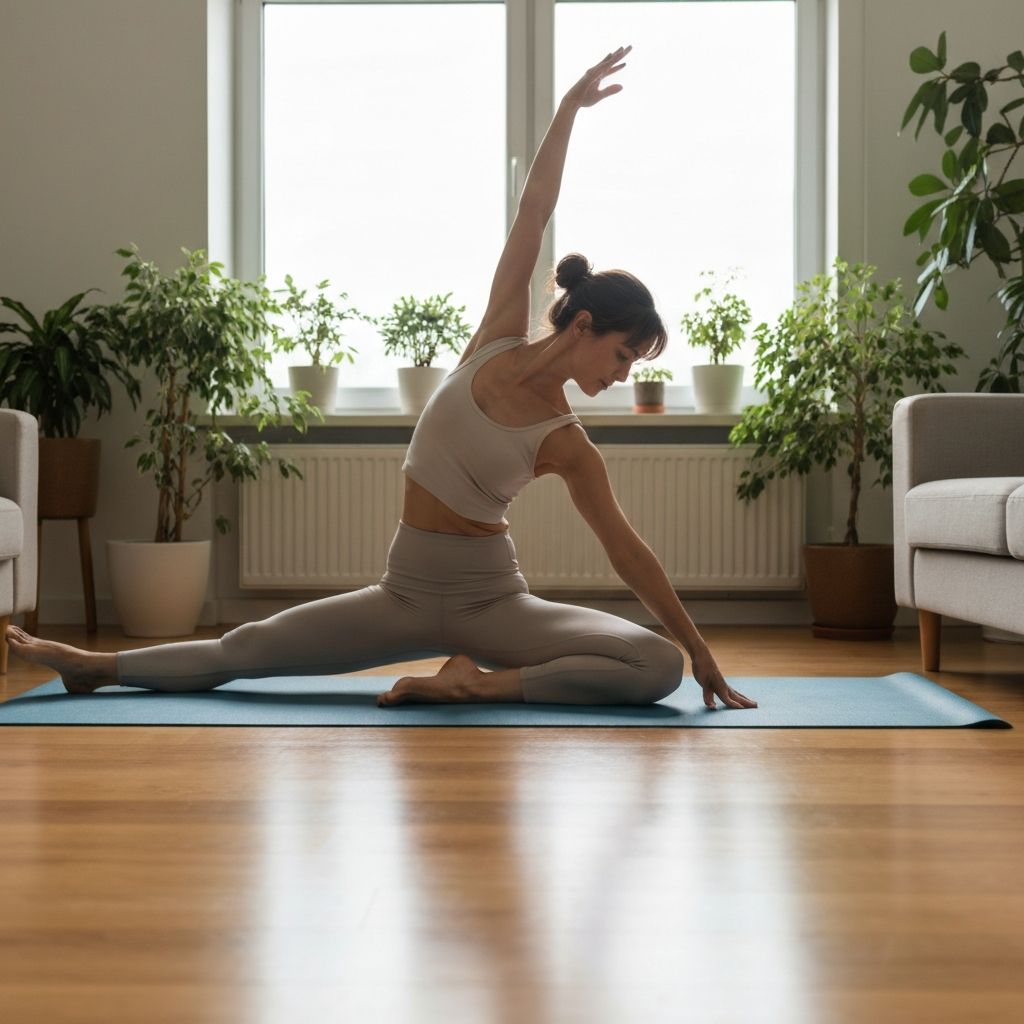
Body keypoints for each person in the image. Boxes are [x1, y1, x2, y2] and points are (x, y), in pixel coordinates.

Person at [6, 46, 756, 712]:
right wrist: (568, 109)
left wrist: (698, 650)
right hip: (401, 593)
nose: (623, 377)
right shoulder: (495, 335)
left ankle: (478, 684)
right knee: (246, 649)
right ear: (585, 326)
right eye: (624, 356)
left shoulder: (568, 442)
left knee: (654, 664)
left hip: (493, 600)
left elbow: (628, 553)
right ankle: (91, 668)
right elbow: (535, 209)